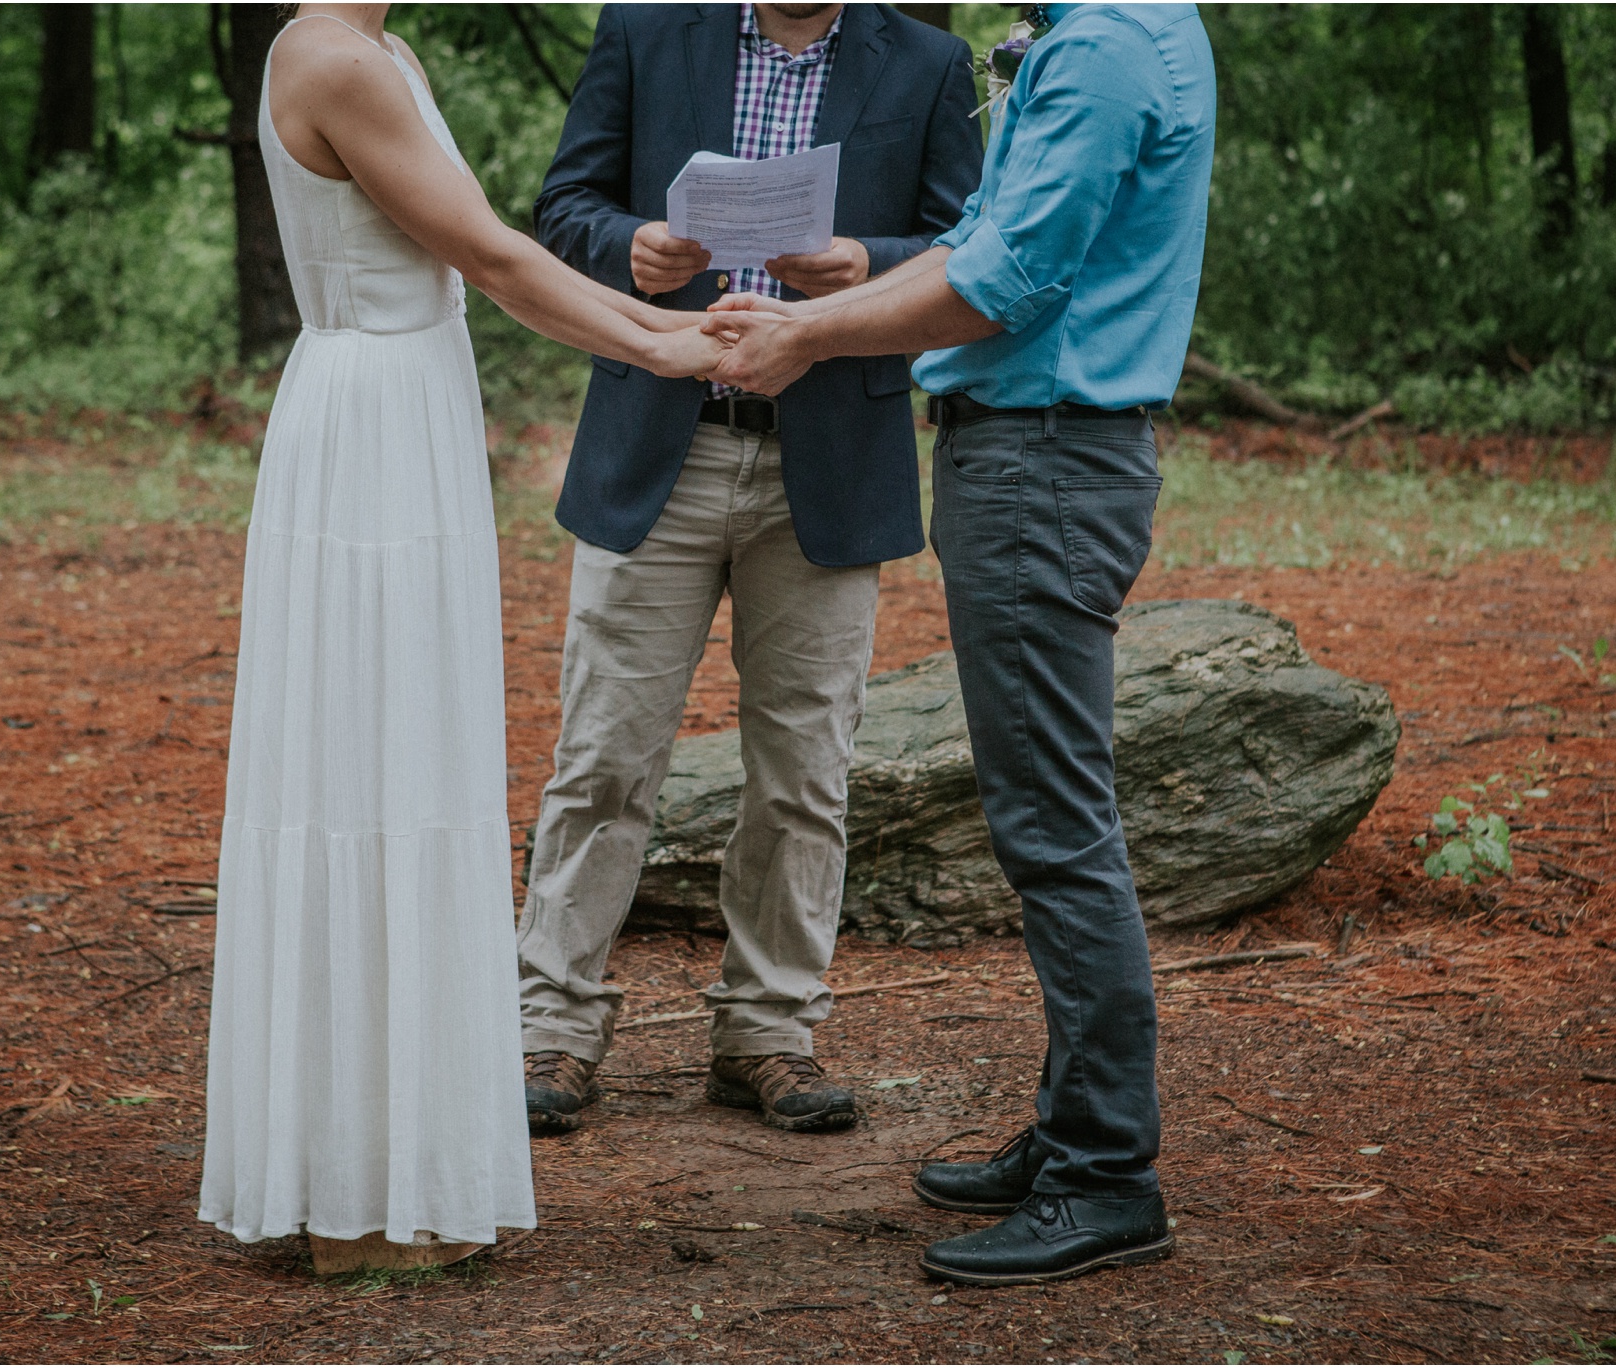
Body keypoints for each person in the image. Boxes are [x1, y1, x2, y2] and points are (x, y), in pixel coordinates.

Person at [197, 3, 723, 1275]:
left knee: (403, 760)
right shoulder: (331, 55)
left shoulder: (381, 50)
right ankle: (353, 1192)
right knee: (367, 769)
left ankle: (389, 1163)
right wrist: (667, 341)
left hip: (402, 405)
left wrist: (668, 335)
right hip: (371, 422)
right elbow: (493, 258)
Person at [704, 2, 1215, 1285]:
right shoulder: (1127, 27)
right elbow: (992, 233)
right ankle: (1068, 1133)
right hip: (1034, 456)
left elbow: (1006, 278)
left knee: (1053, 823)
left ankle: (1107, 1173)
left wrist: (805, 334)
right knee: (1045, 808)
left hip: (1044, 461)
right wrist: (860, 280)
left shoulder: (1100, 47)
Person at [516, 3, 982, 1136]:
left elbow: (971, 239)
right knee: (603, 755)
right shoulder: (644, 32)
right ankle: (551, 1029)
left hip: (827, 466)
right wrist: (623, 242)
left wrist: (860, 263)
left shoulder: (924, 63)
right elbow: (559, 207)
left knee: (805, 769)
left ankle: (769, 1030)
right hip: (654, 453)